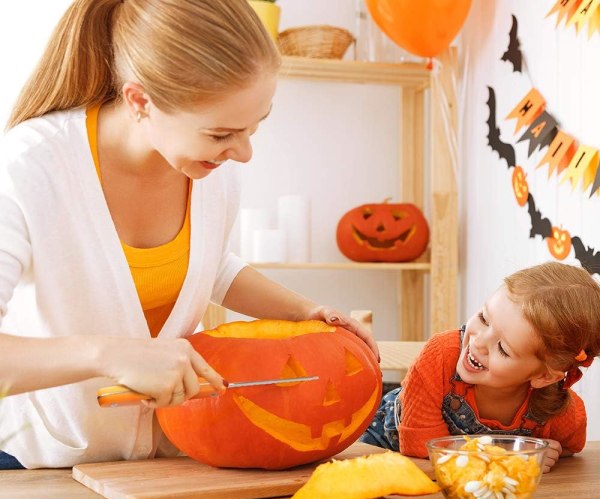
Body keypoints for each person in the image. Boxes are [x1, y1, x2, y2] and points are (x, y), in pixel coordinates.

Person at [0, 0, 378, 469]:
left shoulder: (209, 170)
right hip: (34, 468)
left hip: (166, 465)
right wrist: (110, 355)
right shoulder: (27, 168)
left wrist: (303, 310)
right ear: (140, 101)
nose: (243, 153)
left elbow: (209, 265)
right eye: (221, 134)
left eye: (254, 127)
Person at [361, 262, 600, 473]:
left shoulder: (558, 410)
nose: (478, 341)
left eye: (503, 349)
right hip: (377, 446)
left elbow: (571, 446)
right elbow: (421, 447)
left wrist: (541, 452)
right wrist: (508, 455)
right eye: (484, 318)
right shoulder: (441, 354)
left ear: (544, 376)